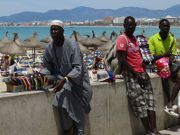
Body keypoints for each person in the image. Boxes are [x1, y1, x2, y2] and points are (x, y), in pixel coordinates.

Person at [43, 20, 93, 135]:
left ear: (62, 31)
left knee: (72, 99)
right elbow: (47, 66)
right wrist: (43, 76)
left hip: (79, 83)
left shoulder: (72, 45)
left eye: (56, 29)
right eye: (52, 30)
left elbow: (78, 68)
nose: (54, 32)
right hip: (61, 80)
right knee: (62, 97)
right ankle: (69, 128)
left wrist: (65, 79)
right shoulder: (50, 48)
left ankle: (78, 130)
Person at [116, 16, 160, 135]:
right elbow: (122, 60)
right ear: (124, 26)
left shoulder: (135, 39)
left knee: (151, 102)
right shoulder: (122, 39)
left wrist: (143, 68)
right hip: (131, 76)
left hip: (142, 73)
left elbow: (138, 56)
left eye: (133, 25)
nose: (131, 27)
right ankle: (149, 131)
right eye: (129, 25)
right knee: (140, 104)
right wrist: (136, 74)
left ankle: (154, 130)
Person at [148, 19, 180, 117]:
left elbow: (174, 54)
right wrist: (163, 55)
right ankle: (169, 101)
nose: (166, 28)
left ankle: (170, 103)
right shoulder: (153, 39)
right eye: (164, 26)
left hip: (167, 65)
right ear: (159, 27)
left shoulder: (172, 39)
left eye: (168, 26)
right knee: (165, 68)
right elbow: (151, 57)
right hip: (156, 64)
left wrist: (170, 58)